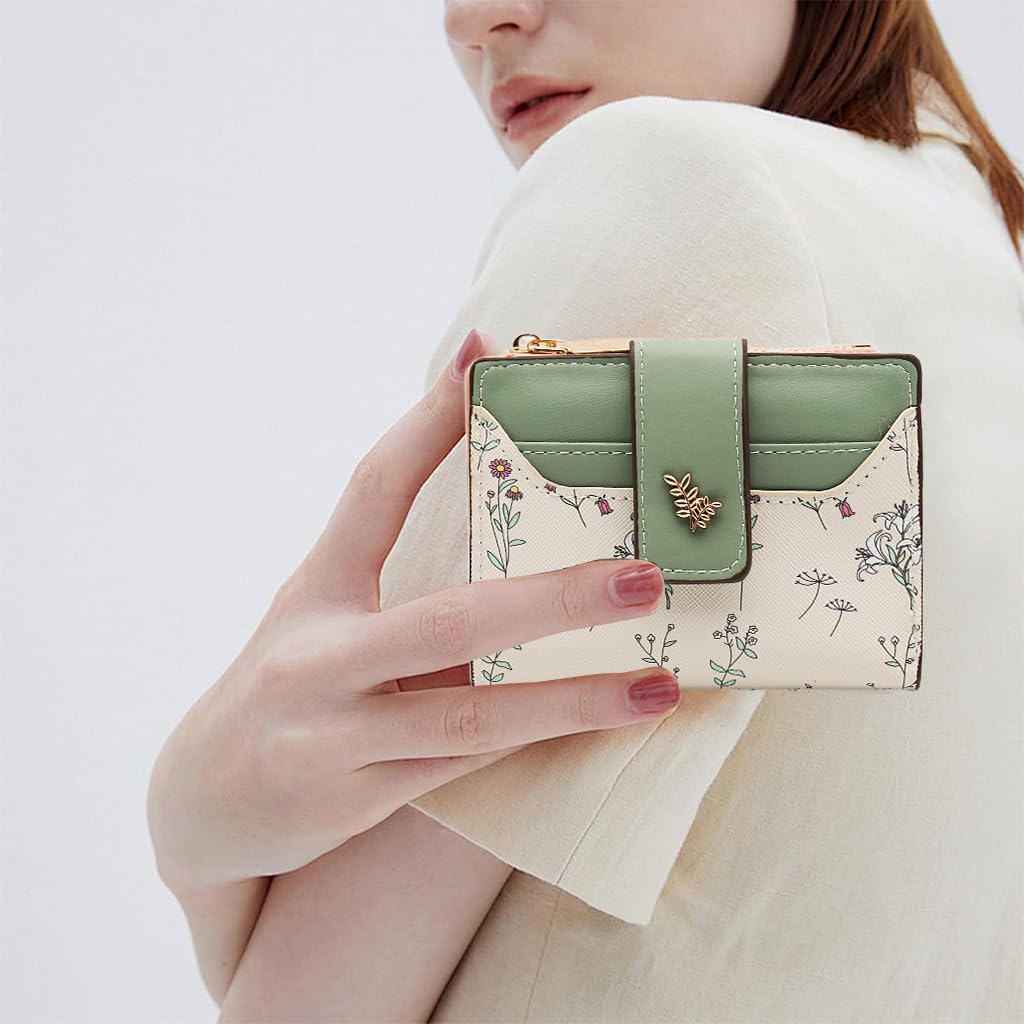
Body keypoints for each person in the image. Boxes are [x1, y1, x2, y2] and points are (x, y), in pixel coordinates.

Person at [146, 1, 1024, 1020]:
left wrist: (189, 836)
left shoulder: (673, 181)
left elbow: (305, 1007)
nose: (474, 19)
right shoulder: (981, 245)